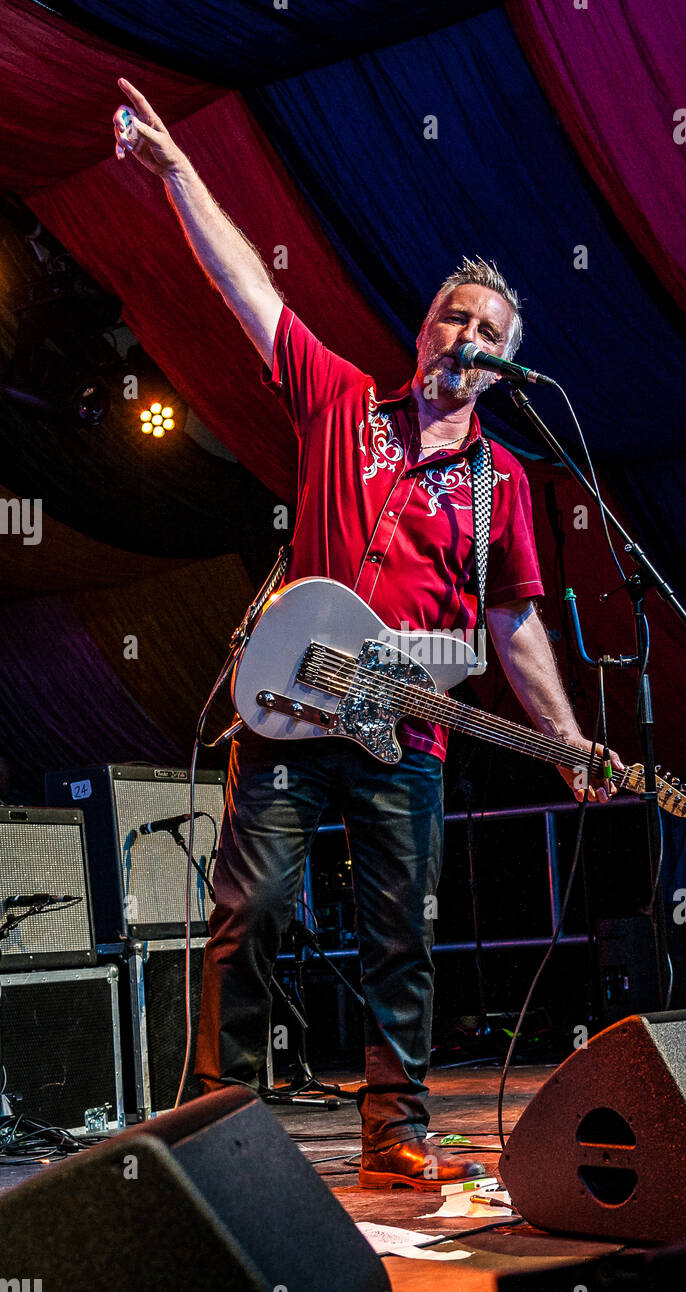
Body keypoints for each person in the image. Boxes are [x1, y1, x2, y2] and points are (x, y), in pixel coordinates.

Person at [113, 78, 624, 1191]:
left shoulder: (503, 486)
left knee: (402, 936)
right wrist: (178, 175)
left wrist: (572, 740)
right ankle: (215, 1125)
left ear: (502, 361)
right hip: (291, 711)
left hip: (411, 739)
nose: (467, 335)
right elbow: (248, 288)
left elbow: (514, 627)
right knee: (250, 914)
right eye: (454, 316)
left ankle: (395, 1130)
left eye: (488, 330)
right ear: (422, 326)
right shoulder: (343, 403)